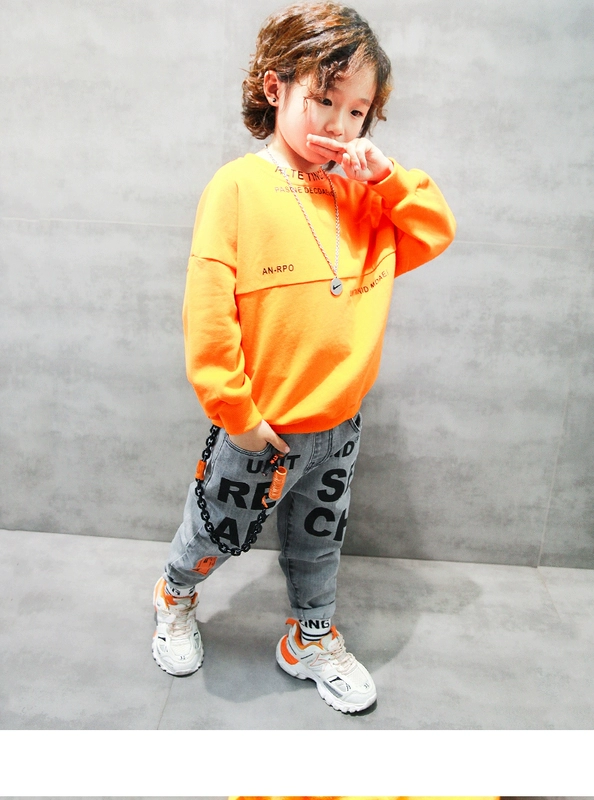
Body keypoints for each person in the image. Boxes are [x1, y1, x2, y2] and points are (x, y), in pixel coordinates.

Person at [152, 1, 456, 714]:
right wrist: (238, 414)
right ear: (275, 87)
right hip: (259, 426)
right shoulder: (237, 187)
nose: (339, 125)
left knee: (319, 541)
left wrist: (385, 176)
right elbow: (209, 313)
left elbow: (434, 231)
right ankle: (175, 593)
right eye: (324, 100)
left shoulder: (364, 196)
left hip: (339, 425)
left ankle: (309, 638)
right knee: (216, 530)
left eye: (358, 112)